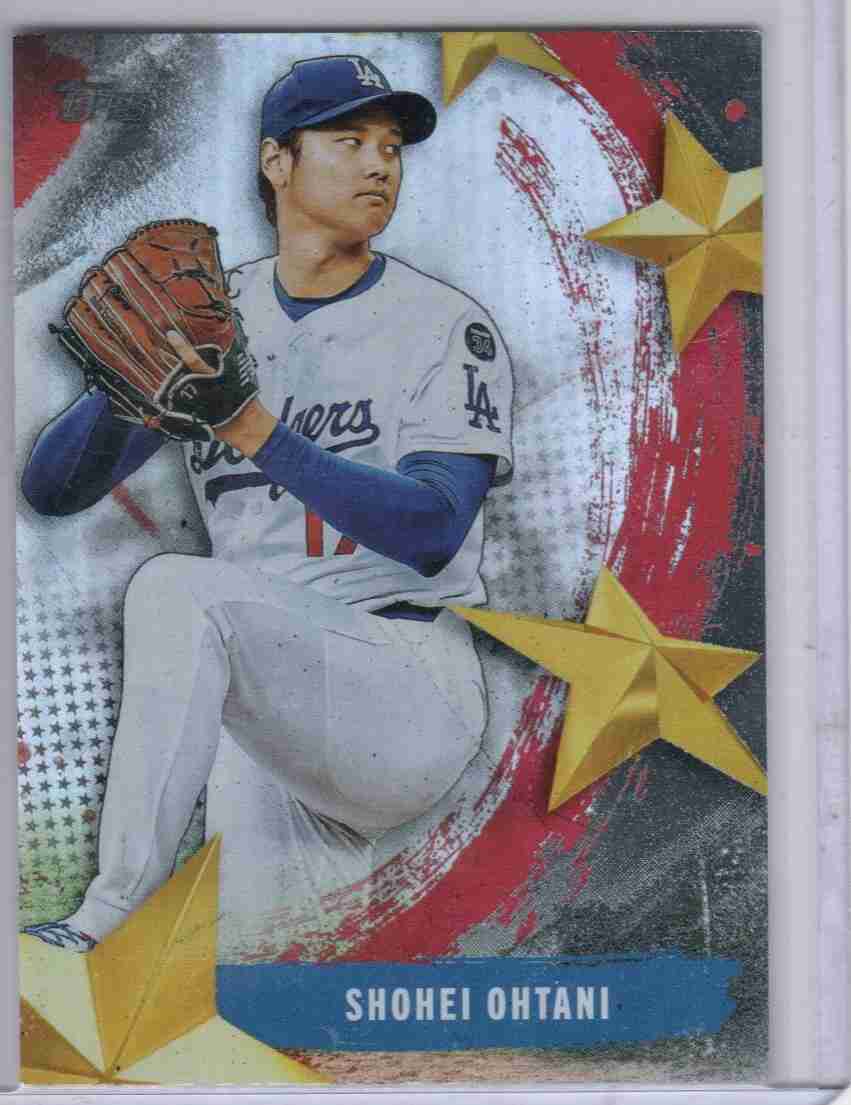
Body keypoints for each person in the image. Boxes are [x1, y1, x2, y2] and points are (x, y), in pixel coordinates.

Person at [21, 55, 514, 951]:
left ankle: (109, 915)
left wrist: (249, 425)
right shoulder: (216, 315)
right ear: (276, 161)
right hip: (267, 708)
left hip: (403, 684)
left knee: (177, 589)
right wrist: (117, 388)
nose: (379, 164)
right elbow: (52, 490)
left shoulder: (442, 322)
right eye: (348, 140)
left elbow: (434, 528)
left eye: (390, 146)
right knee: (254, 975)